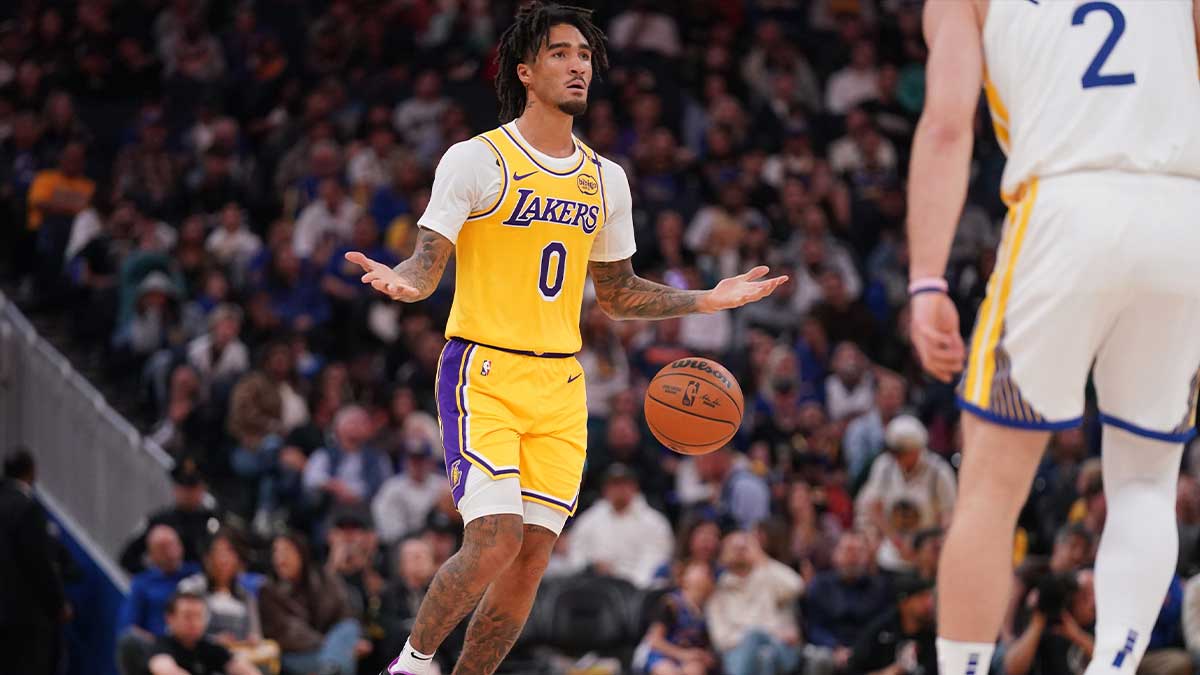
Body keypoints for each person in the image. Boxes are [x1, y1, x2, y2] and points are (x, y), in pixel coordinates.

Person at [345, 4, 786, 675]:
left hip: (561, 384)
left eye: (584, 54)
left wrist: (706, 297)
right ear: (524, 71)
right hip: (485, 369)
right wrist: (406, 280)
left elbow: (618, 292)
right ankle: (412, 662)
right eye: (560, 53)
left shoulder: (605, 179)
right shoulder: (477, 159)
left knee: (528, 562)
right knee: (493, 538)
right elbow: (428, 260)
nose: (579, 64)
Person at [907, 2, 1200, 673]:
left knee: (990, 483)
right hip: (1184, 208)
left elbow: (949, 127)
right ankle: (1116, 664)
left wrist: (927, 282)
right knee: (1149, 478)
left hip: (1067, 205)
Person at [0, 448, 68, 675]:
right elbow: (38, 563)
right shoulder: (27, 508)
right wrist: (57, 604)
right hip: (24, 617)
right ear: (32, 472)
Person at [565, 463, 674, 588]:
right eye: (614, 484)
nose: (619, 490)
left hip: (637, 588)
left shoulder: (654, 522)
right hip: (594, 586)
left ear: (634, 487)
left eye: (624, 484)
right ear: (605, 489)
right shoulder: (590, 518)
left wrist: (625, 582)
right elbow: (575, 552)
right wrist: (589, 567)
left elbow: (654, 561)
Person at [147, 592, 259, 675]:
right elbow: (164, 668)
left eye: (199, 616)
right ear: (170, 618)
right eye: (187, 616)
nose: (194, 623)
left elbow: (242, 668)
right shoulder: (161, 645)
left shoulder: (209, 647)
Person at [848, 574, 938, 675]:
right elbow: (852, 669)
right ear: (904, 603)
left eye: (929, 597)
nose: (929, 604)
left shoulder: (935, 633)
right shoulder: (880, 630)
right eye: (921, 598)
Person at [640, 561, 718, 675]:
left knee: (695, 670)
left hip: (691, 657)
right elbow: (654, 641)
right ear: (684, 578)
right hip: (663, 654)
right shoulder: (671, 604)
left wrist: (706, 656)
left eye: (706, 572)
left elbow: (709, 645)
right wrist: (682, 654)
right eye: (697, 569)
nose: (703, 573)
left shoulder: (709, 609)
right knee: (667, 671)